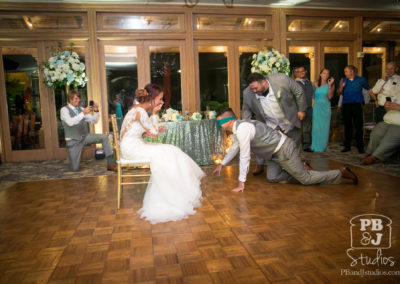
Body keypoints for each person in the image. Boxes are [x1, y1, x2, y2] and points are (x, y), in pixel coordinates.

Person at [212, 108, 358, 192]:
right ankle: (301, 168)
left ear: (228, 121)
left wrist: (241, 182)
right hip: (274, 153)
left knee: (306, 180)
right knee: (272, 177)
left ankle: (340, 173)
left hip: (283, 149)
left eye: (221, 123)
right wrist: (222, 164)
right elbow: (235, 147)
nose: (221, 127)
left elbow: (244, 156)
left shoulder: (243, 128)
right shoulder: (239, 128)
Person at [120, 83, 204, 224]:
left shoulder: (137, 110)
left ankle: (176, 193)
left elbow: (144, 133)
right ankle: (171, 196)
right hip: (132, 148)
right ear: (152, 99)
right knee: (168, 152)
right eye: (160, 99)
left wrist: (154, 128)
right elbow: (153, 134)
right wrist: (154, 114)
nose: (161, 102)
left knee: (170, 150)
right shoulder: (140, 111)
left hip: (133, 145)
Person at [242, 72, 306, 182]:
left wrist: (301, 109)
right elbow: (246, 110)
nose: (254, 91)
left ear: (263, 82)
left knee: (294, 150)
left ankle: (300, 171)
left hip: (290, 122)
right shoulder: (247, 93)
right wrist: (246, 127)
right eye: (252, 89)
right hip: (271, 127)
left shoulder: (281, 80)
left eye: (256, 88)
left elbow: (298, 91)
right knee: (273, 153)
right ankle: (288, 171)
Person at [60, 90, 117, 172]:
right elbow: (70, 122)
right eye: (76, 98)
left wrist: (96, 111)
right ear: (70, 99)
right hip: (73, 140)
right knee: (74, 169)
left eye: (78, 98)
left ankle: (110, 164)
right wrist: (83, 113)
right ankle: (71, 156)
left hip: (84, 137)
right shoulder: (64, 110)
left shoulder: (81, 109)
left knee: (104, 137)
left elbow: (94, 120)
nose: (78, 100)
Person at [337, 65, 376, 153]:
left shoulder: (361, 79)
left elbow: (369, 89)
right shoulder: (343, 80)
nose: (345, 73)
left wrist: (375, 99)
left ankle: (360, 147)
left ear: (352, 71)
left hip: (357, 106)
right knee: (347, 127)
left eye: (346, 71)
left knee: (358, 126)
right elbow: (339, 93)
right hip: (346, 106)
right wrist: (341, 87)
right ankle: (347, 146)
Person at [362, 90, 400, 165]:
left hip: (398, 124)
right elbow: (388, 110)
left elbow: (397, 107)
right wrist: (387, 106)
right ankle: (369, 153)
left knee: (388, 140)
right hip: (387, 120)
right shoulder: (397, 93)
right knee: (376, 134)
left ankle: (374, 157)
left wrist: (398, 108)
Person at [311, 68, 335, 152]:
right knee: (316, 127)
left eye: (327, 73)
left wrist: (329, 85)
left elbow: (330, 97)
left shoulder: (331, 85)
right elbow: (312, 97)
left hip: (326, 107)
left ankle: (324, 146)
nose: (326, 75)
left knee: (325, 127)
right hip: (317, 107)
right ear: (320, 74)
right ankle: (315, 146)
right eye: (324, 73)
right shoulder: (315, 84)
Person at [294, 66, 314, 152]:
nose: (300, 73)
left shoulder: (310, 83)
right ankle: (295, 146)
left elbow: (313, 96)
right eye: (298, 72)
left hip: (309, 108)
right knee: (296, 128)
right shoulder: (294, 83)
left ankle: (306, 146)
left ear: (306, 72)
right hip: (297, 109)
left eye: (302, 71)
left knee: (307, 128)